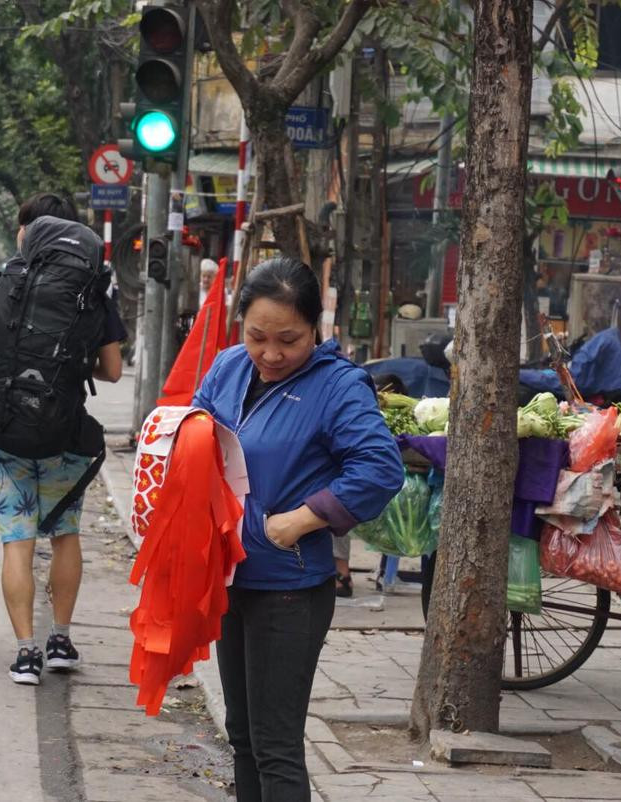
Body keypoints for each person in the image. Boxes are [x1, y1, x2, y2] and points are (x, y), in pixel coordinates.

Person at [191, 257, 403, 801]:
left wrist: (304, 519)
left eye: (289, 339)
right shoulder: (229, 367)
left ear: (317, 330)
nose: (270, 353)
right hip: (230, 575)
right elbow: (192, 434)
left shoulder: (338, 386)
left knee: (275, 745)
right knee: (241, 736)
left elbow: (380, 468)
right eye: (258, 335)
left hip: (288, 587)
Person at [0, 192, 126, 687]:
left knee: (18, 539)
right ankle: (61, 639)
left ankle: (26, 652)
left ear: (27, 233)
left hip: (9, 432)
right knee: (65, 532)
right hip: (65, 431)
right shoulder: (95, 292)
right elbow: (113, 371)